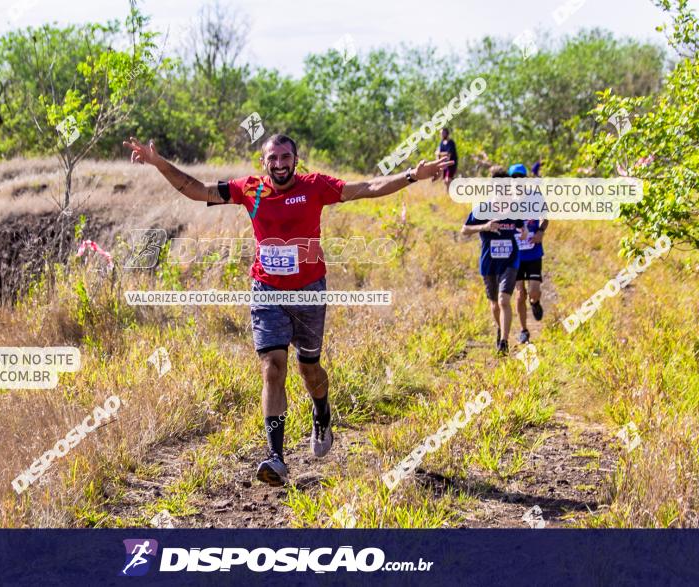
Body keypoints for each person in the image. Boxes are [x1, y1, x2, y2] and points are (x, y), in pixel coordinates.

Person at [123, 134, 452, 486]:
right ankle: (276, 458)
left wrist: (411, 176)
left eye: (285, 157)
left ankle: (322, 410)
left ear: (296, 159)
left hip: (310, 292)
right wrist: (159, 164)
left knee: (309, 369)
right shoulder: (250, 190)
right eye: (272, 158)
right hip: (266, 291)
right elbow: (197, 189)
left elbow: (368, 186)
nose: (279, 164)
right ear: (263, 162)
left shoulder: (316, 187)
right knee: (272, 368)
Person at [460, 165, 528, 355]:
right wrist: (485, 226)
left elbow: (522, 229)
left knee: (504, 300)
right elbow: (464, 230)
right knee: (495, 305)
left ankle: (504, 342)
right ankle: (500, 329)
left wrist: (524, 233)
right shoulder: (483, 209)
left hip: (510, 260)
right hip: (489, 261)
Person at [508, 163, 547, 344]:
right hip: (515, 255)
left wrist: (540, 232)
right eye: (514, 178)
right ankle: (524, 330)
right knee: (520, 293)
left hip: (533, 252)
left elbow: (545, 218)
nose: (517, 181)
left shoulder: (535, 196)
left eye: (520, 177)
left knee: (533, 291)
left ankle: (535, 303)